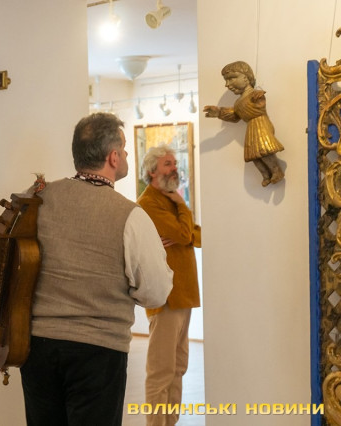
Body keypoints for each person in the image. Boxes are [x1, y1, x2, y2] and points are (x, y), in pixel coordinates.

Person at [20, 112, 173, 426]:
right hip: (98, 350)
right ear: (113, 157)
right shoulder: (129, 215)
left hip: (37, 346)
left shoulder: (38, 199)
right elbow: (156, 292)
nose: (126, 154)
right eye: (124, 149)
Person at [137, 145, 201, 426]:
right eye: (167, 163)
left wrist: (183, 227)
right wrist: (183, 208)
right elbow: (185, 234)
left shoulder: (171, 201)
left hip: (184, 295)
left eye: (174, 163)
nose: (174, 168)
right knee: (161, 371)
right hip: (165, 297)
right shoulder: (149, 203)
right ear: (152, 171)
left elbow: (197, 236)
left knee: (178, 367)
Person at [203, 60, 284, 186]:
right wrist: (219, 112)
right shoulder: (238, 102)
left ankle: (276, 171)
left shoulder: (254, 94)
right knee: (253, 156)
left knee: (263, 151)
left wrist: (259, 95)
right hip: (251, 128)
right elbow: (235, 116)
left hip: (260, 124)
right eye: (226, 80)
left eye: (231, 79)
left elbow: (260, 104)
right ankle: (266, 175)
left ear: (246, 77)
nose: (227, 84)